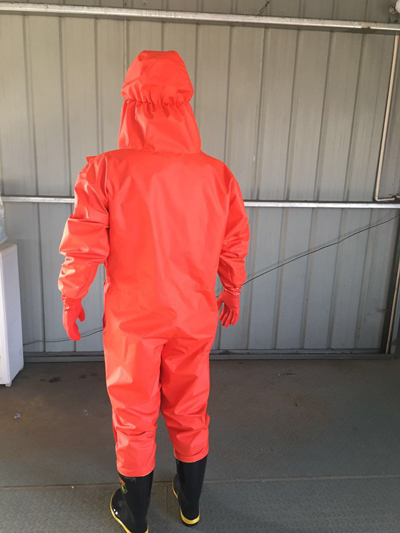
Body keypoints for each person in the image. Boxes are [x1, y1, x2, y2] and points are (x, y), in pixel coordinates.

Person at [58, 50, 250, 533]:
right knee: (190, 408)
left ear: (130, 103)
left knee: (134, 414)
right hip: (193, 317)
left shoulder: (106, 170)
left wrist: (72, 296)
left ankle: (135, 513)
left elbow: (84, 243)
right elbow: (233, 241)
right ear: (185, 104)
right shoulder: (217, 175)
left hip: (133, 324)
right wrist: (232, 290)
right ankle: (190, 504)